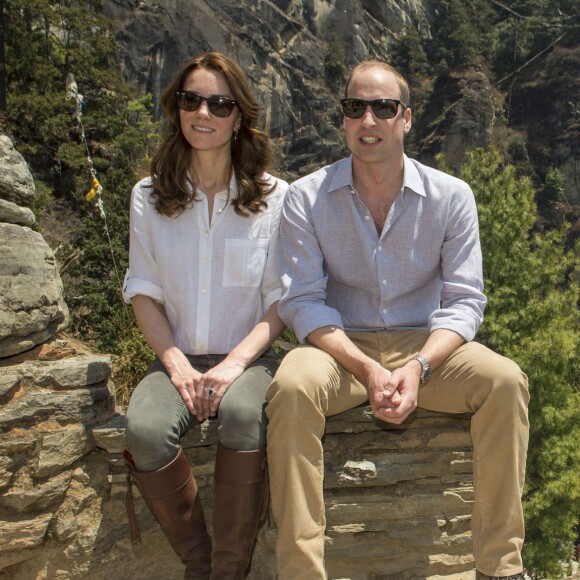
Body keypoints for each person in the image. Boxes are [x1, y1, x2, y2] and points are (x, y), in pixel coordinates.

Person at [266, 60, 529, 580]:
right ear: (342, 119)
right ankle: (301, 572)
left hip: (426, 343)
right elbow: (303, 302)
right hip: (339, 345)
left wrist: (419, 369)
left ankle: (500, 567)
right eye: (355, 108)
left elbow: (463, 301)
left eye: (383, 108)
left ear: (405, 118)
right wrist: (365, 368)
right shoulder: (305, 198)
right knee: (292, 387)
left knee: (505, 381)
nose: (368, 120)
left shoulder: (451, 197)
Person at [122, 52, 288, 580]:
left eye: (219, 103)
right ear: (177, 109)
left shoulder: (274, 198)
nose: (203, 113)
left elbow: (279, 301)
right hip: (177, 355)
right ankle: (200, 562)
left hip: (251, 358)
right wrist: (176, 366)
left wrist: (232, 366)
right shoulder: (148, 197)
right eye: (191, 100)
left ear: (238, 117)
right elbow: (143, 291)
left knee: (243, 415)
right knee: (146, 431)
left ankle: (230, 568)